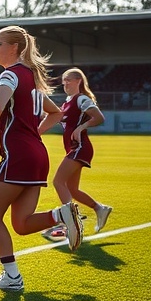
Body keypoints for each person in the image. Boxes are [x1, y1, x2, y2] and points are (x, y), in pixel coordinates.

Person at [0, 27, 82, 292]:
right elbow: (57, 113)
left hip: (19, 156)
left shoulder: (9, 75)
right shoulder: (30, 79)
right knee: (21, 224)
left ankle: (11, 276)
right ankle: (60, 213)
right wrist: (32, 133)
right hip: (36, 154)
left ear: (14, 48)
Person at [44, 68, 113, 237]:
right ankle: (100, 208)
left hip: (80, 148)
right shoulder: (67, 102)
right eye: (64, 81)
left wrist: (82, 127)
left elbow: (99, 117)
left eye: (69, 80)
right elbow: (57, 118)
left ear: (78, 81)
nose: (65, 84)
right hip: (74, 149)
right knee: (72, 189)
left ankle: (71, 222)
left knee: (58, 182)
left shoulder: (81, 99)